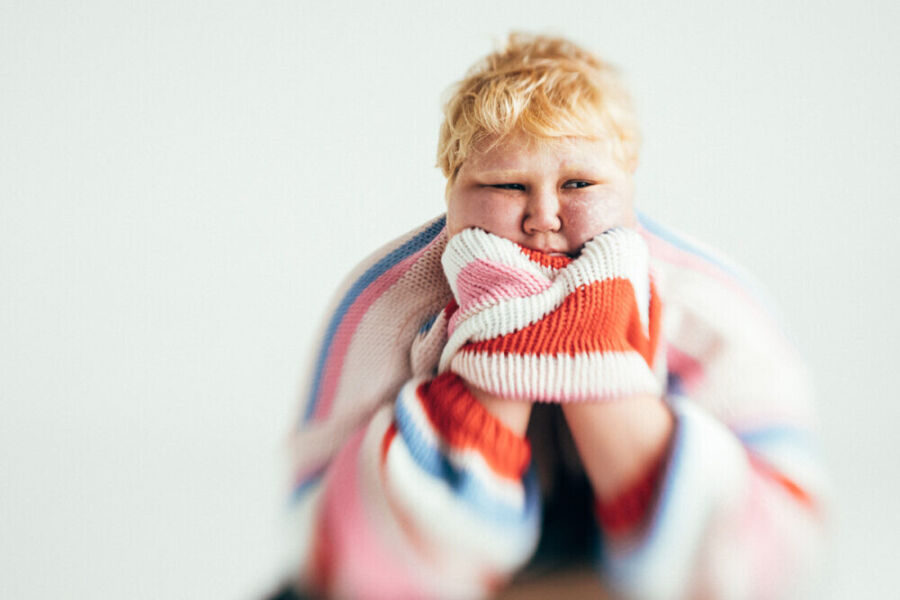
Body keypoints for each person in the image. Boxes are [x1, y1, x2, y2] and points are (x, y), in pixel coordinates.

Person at [279, 33, 828, 599]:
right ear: (451, 191)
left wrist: (591, 344)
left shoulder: (703, 303)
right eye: (507, 186)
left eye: (579, 184)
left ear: (630, 180)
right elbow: (329, 537)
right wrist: (501, 339)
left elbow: (778, 530)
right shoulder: (393, 305)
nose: (543, 216)